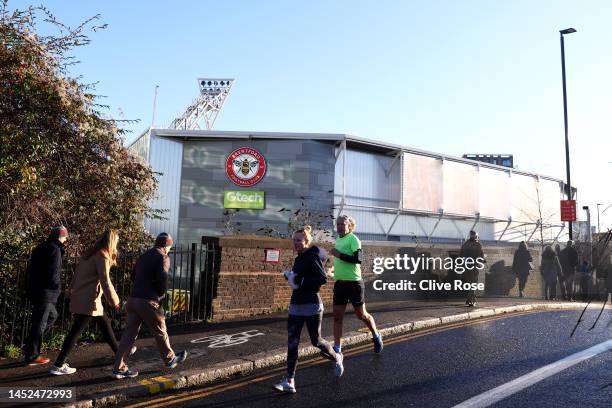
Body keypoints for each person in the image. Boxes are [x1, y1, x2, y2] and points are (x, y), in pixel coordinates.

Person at [50, 230, 135, 375]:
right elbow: (105, 280)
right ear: (112, 242)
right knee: (76, 332)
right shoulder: (102, 255)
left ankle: (119, 353)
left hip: (83, 296)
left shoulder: (90, 253)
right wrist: (114, 300)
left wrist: (71, 291)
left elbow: (77, 275)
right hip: (89, 300)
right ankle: (58, 365)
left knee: (105, 325)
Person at [273, 226, 344, 393]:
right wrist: (290, 276)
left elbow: (322, 278)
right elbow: (298, 279)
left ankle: (337, 357)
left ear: (306, 241)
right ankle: (290, 381)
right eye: (294, 240)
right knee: (292, 344)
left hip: (312, 306)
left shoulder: (312, 257)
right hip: (296, 306)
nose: (296, 243)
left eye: (299, 240)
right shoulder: (299, 259)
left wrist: (300, 280)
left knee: (316, 341)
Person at [112, 232, 187, 379]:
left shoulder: (144, 255)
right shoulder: (163, 257)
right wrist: (161, 294)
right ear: (167, 246)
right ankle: (170, 359)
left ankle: (119, 369)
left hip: (133, 300)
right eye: (170, 247)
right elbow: (162, 278)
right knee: (160, 329)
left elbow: (133, 276)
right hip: (148, 301)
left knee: (128, 336)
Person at [330, 215, 383, 358]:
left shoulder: (354, 239)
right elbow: (341, 262)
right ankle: (337, 348)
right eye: (338, 224)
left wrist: (338, 255)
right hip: (340, 283)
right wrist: (333, 270)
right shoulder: (339, 240)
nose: (340, 226)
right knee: (337, 317)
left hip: (354, 283)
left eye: (342, 224)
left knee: (362, 315)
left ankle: (376, 335)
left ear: (349, 226)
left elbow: (357, 260)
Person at [23, 225, 68, 365]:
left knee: (51, 317)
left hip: (36, 290)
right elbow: (53, 275)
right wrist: (58, 288)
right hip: (46, 293)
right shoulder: (55, 250)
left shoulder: (41, 247)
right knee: (40, 323)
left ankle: (31, 345)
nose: (66, 239)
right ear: (61, 237)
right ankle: (32, 355)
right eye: (65, 237)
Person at [460, 230, 485, 307]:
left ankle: (469, 299)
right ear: (475, 236)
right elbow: (481, 256)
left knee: (469, 283)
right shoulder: (478, 244)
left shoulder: (465, 244)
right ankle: (472, 301)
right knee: (473, 283)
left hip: (466, 266)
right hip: (474, 266)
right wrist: (483, 260)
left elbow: (461, 255)